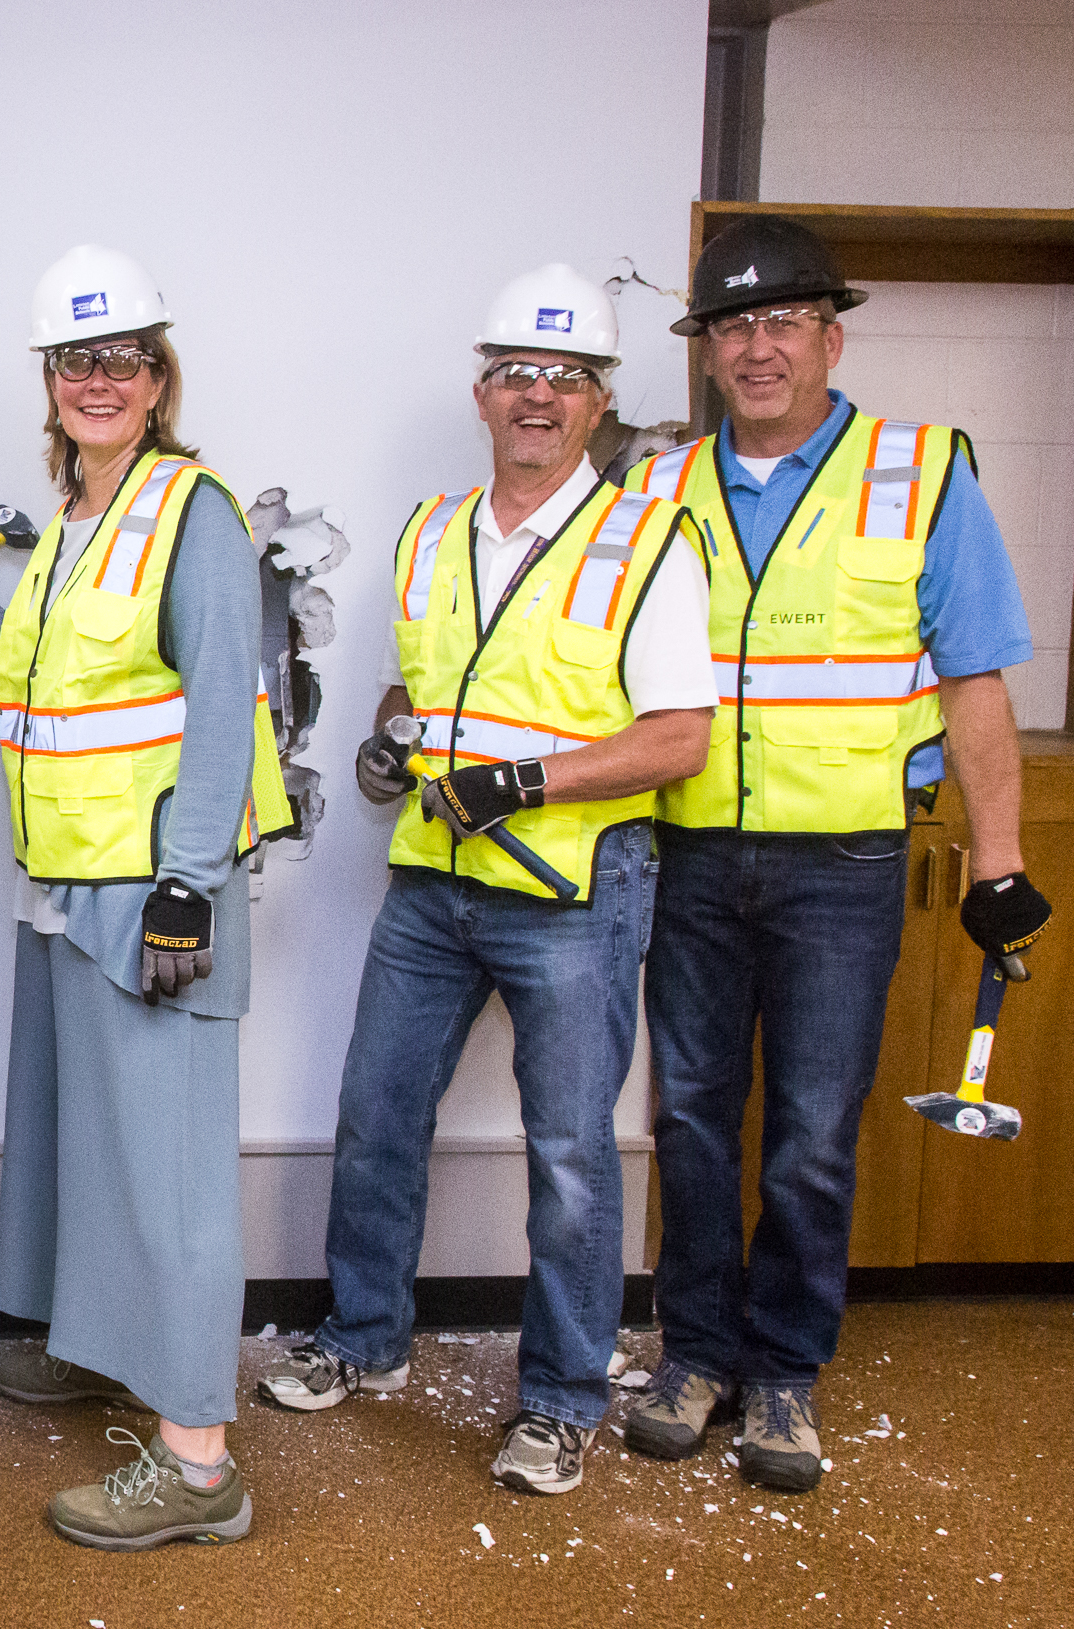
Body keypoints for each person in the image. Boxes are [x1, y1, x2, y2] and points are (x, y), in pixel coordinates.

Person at [259, 266, 714, 1497]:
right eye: (517, 373)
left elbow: (680, 738)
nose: (537, 396)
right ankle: (365, 1340)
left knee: (571, 1155)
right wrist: (386, 740)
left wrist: (520, 785)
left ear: (599, 400)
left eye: (565, 378)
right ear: (482, 391)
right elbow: (427, 690)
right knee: (377, 1116)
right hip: (433, 882)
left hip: (575, 892)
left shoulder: (646, 540)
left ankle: (561, 1403)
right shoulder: (428, 530)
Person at [619, 217, 1048, 1493]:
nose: (759, 350)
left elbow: (975, 685)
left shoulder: (920, 474)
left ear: (831, 337)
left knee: (810, 1129)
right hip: (689, 856)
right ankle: (695, 1354)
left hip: (844, 867)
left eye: (784, 323)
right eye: (735, 328)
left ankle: (787, 1375)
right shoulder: (654, 491)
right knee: (694, 1118)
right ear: (707, 354)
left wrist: (999, 863)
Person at [0, 246, 291, 1550]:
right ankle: (107, 1341)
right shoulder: (76, 525)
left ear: (158, 380)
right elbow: (78, 691)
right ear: (49, 384)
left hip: (153, 897)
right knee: (91, 1150)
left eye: (122, 360)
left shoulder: (190, 511)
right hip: (67, 884)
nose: (99, 381)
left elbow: (221, 702)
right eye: (76, 361)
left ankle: (201, 1466)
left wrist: (186, 888)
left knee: (171, 1178)